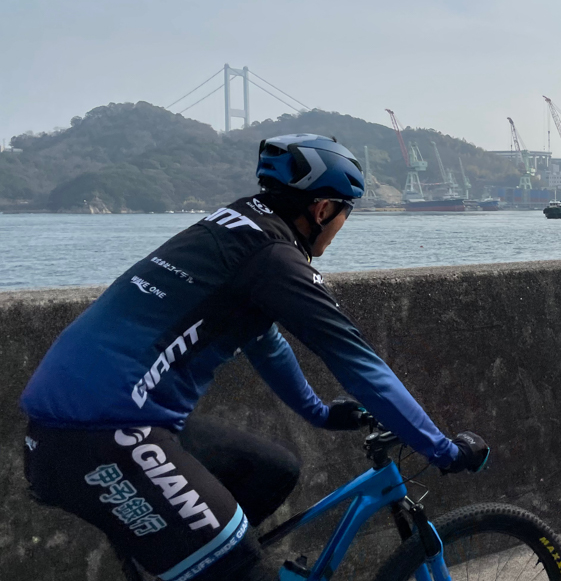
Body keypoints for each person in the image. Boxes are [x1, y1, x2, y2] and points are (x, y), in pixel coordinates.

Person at [20, 134, 488, 580]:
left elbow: (261, 338)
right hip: (104, 437)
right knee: (241, 570)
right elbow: (359, 364)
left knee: (270, 473)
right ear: (323, 209)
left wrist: (320, 414)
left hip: (74, 426)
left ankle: (203, 558)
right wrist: (442, 450)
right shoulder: (273, 256)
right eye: (347, 213)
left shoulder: (233, 224)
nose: (343, 225)